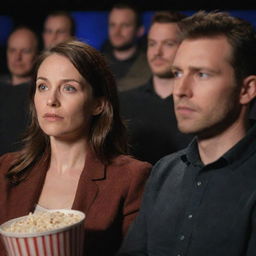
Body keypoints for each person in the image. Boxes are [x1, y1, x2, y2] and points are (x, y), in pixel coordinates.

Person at [117, 11, 256, 256]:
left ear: (246, 89)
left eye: (202, 74)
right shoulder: (164, 171)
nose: (180, 90)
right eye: (178, 73)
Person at [0, 40, 152, 256]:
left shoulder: (131, 178)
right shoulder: (5, 169)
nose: (51, 100)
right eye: (43, 86)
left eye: (69, 88)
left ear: (98, 104)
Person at [119, 11, 192, 164]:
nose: (157, 52)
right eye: (152, 43)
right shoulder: (123, 102)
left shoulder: (195, 103)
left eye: (168, 44)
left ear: (186, 47)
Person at [0, 26, 40, 155]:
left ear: (37, 54)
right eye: (12, 50)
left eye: (25, 51)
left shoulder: (40, 94)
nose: (17, 57)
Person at [102, 1, 151, 91]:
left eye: (125, 25)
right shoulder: (95, 65)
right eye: (113, 25)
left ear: (140, 30)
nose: (117, 32)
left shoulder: (151, 66)